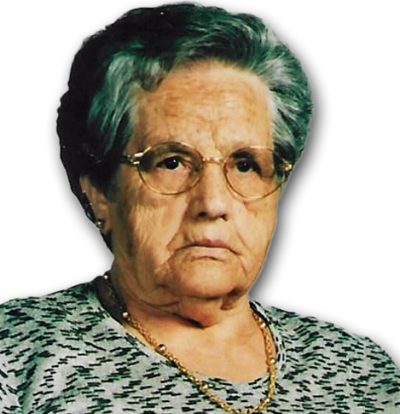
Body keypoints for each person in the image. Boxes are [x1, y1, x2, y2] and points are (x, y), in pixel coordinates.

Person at [0, 1, 399, 413]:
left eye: (245, 165)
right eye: (171, 162)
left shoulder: (364, 371)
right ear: (100, 194)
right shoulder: (14, 355)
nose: (212, 203)